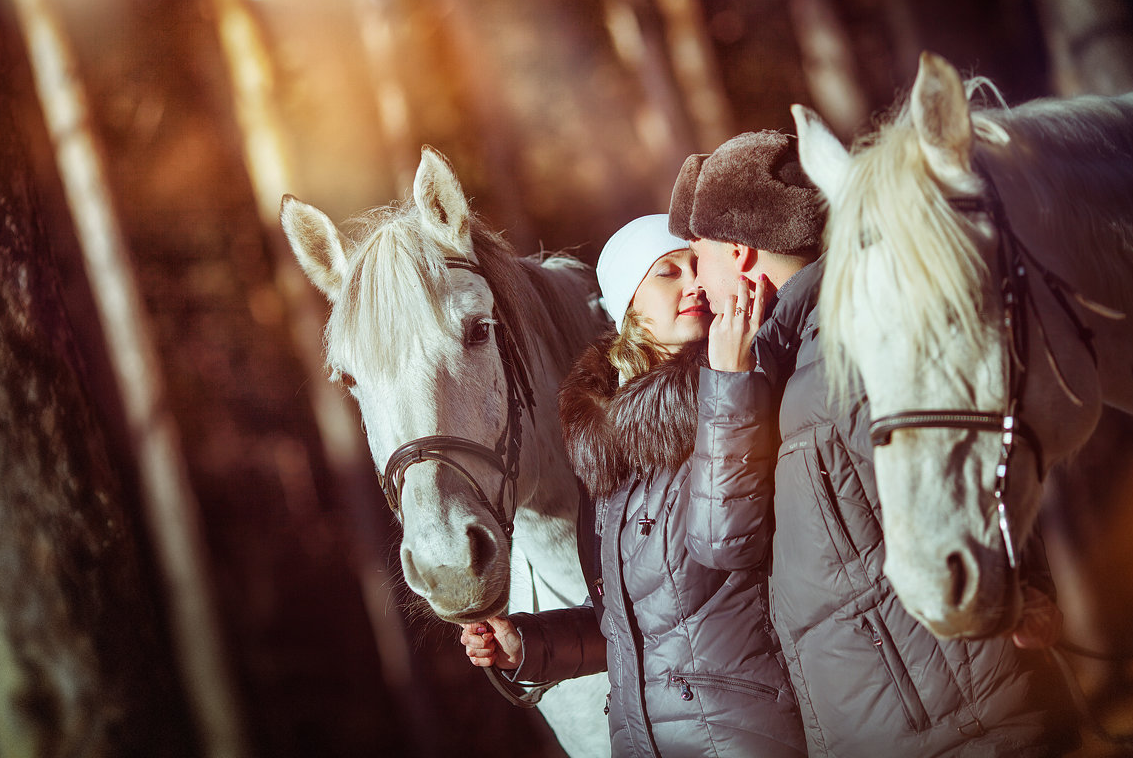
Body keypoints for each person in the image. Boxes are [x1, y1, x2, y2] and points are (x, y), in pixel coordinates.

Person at [669, 130, 1075, 757]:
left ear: (742, 254)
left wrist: (1030, 585)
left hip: (960, 728)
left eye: (700, 257)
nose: (696, 283)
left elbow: (962, 478)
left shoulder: (848, 342)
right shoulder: (781, 362)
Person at [460, 214, 808, 758]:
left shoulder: (744, 386)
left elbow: (728, 541)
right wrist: (529, 645)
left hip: (740, 734)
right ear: (628, 305)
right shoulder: (605, 444)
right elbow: (626, 621)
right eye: (668, 271)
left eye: (698, 267)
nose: (694, 282)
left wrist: (730, 384)